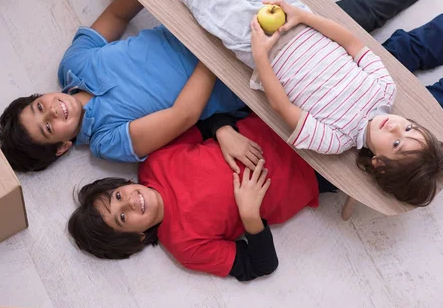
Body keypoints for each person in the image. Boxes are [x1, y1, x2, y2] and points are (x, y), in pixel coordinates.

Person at [143, 0, 443, 206]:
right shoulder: (384, 89)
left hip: (255, 45)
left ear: (378, 164)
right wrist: (302, 15)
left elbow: (281, 105)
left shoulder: (335, 142)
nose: (395, 127)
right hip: (294, 16)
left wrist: (261, 53)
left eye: (397, 142)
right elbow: (352, 43)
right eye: (409, 127)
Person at [69, 114, 334, 281]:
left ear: (123, 183)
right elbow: (260, 265)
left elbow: (205, 121)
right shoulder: (186, 247)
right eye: (123, 217)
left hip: (277, 117)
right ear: (136, 236)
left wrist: (223, 132)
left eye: (117, 195)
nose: (128, 201)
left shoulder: (154, 162)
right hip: (312, 173)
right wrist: (250, 215)